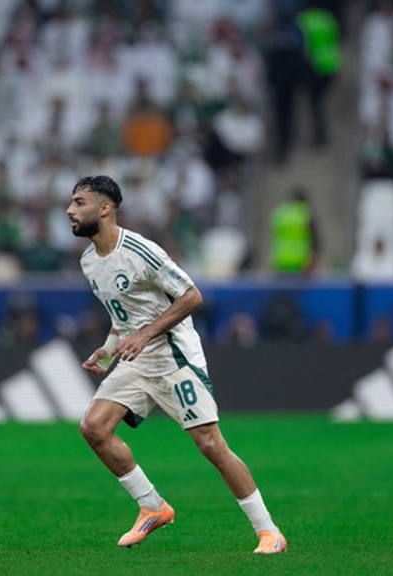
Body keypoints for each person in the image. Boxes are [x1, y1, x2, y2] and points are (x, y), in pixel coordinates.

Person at [66, 175, 287, 554]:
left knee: (210, 444)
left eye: (79, 202)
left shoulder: (141, 250)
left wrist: (144, 335)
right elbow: (124, 315)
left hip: (174, 356)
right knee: (94, 427)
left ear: (104, 209)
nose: (70, 210)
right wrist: (109, 348)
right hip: (137, 357)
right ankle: (152, 506)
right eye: (71, 202)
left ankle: (269, 532)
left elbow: (191, 296)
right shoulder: (89, 261)